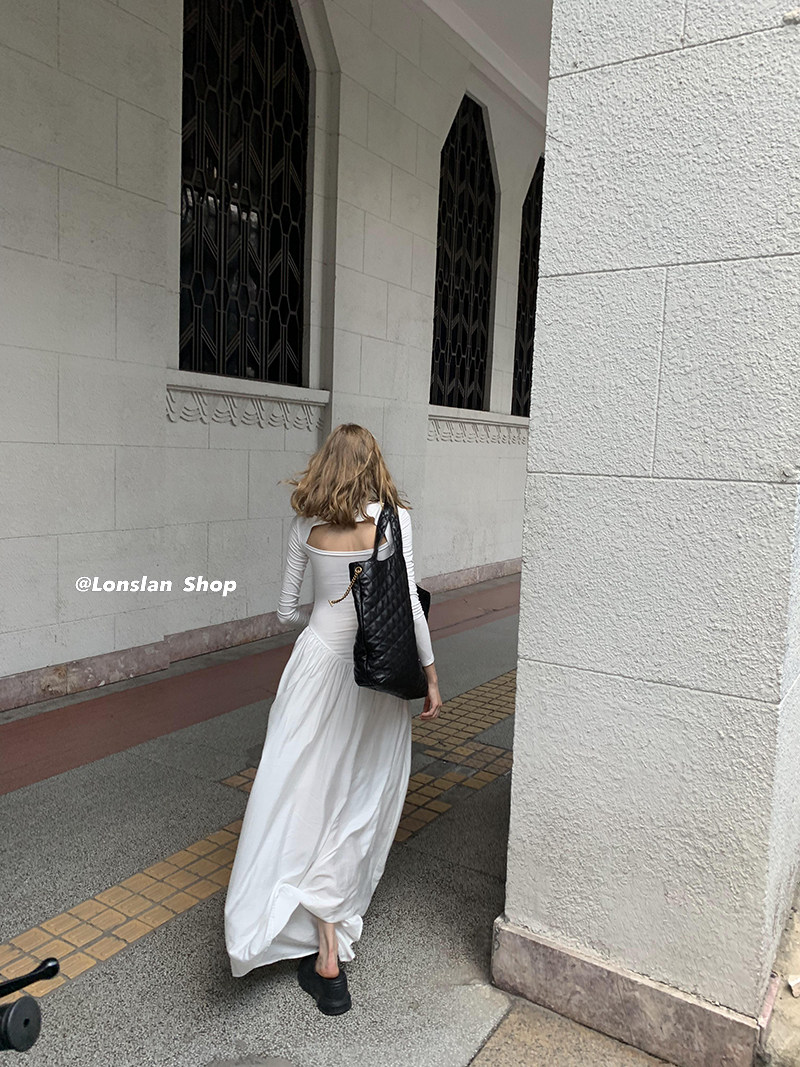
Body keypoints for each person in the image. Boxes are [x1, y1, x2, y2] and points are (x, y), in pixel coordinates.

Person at [224, 423, 442, 1015]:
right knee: (361, 798)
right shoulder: (394, 520)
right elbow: (410, 608)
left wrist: (326, 615)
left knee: (301, 793)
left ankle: (306, 936)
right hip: (375, 678)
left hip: (316, 668)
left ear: (325, 464)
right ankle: (328, 949)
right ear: (374, 465)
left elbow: (284, 611)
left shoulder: (305, 526)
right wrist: (429, 675)